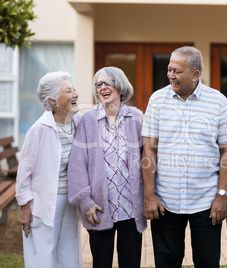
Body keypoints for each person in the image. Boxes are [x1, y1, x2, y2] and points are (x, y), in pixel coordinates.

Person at [141, 46, 227, 268]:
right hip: (165, 201)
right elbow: (149, 150)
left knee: (207, 262)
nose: (170, 75)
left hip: (206, 202)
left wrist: (221, 196)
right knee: (166, 263)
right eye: (169, 69)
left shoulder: (217, 101)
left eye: (177, 71)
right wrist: (149, 196)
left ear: (196, 74)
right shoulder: (158, 100)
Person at [68, 67, 146, 268]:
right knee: (101, 263)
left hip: (130, 206)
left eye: (106, 82)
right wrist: (85, 201)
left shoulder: (136, 118)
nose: (102, 87)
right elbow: (77, 164)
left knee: (131, 263)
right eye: (98, 84)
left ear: (119, 85)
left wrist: (149, 196)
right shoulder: (88, 120)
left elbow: (147, 160)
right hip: (100, 206)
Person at [15, 71, 82, 268]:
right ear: (53, 101)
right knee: (43, 253)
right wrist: (24, 208)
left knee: (69, 250)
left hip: (70, 199)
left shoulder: (77, 122)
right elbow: (23, 174)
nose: (75, 94)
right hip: (43, 201)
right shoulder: (40, 128)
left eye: (74, 89)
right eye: (68, 91)